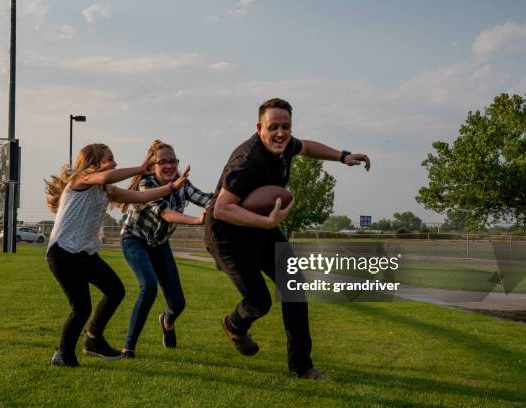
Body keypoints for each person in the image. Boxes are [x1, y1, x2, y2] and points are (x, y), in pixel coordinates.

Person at [204, 98, 371, 380]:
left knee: (294, 286)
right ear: (260, 128)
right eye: (273, 127)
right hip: (227, 236)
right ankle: (235, 324)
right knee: (260, 302)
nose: (280, 133)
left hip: (260, 228)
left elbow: (306, 146)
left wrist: (343, 156)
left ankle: (302, 367)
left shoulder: (286, 145)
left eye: (286, 127)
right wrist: (268, 221)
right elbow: (222, 209)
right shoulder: (246, 161)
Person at [45, 143, 190, 367]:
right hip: (63, 253)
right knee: (82, 308)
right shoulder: (81, 179)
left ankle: (93, 339)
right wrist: (140, 169)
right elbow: (104, 177)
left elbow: (141, 197)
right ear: (93, 164)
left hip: (84, 253)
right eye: (109, 159)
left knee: (115, 290)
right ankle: (63, 354)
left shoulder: (106, 190)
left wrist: (172, 188)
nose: (114, 163)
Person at [119, 140, 212, 358]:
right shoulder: (146, 184)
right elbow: (166, 213)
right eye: (163, 162)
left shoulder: (183, 185)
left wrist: (224, 199)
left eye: (173, 161)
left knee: (178, 304)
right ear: (153, 166)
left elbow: (206, 199)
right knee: (148, 286)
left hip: (160, 245)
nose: (170, 166)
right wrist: (198, 220)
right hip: (135, 239)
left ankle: (166, 322)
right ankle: (128, 348)